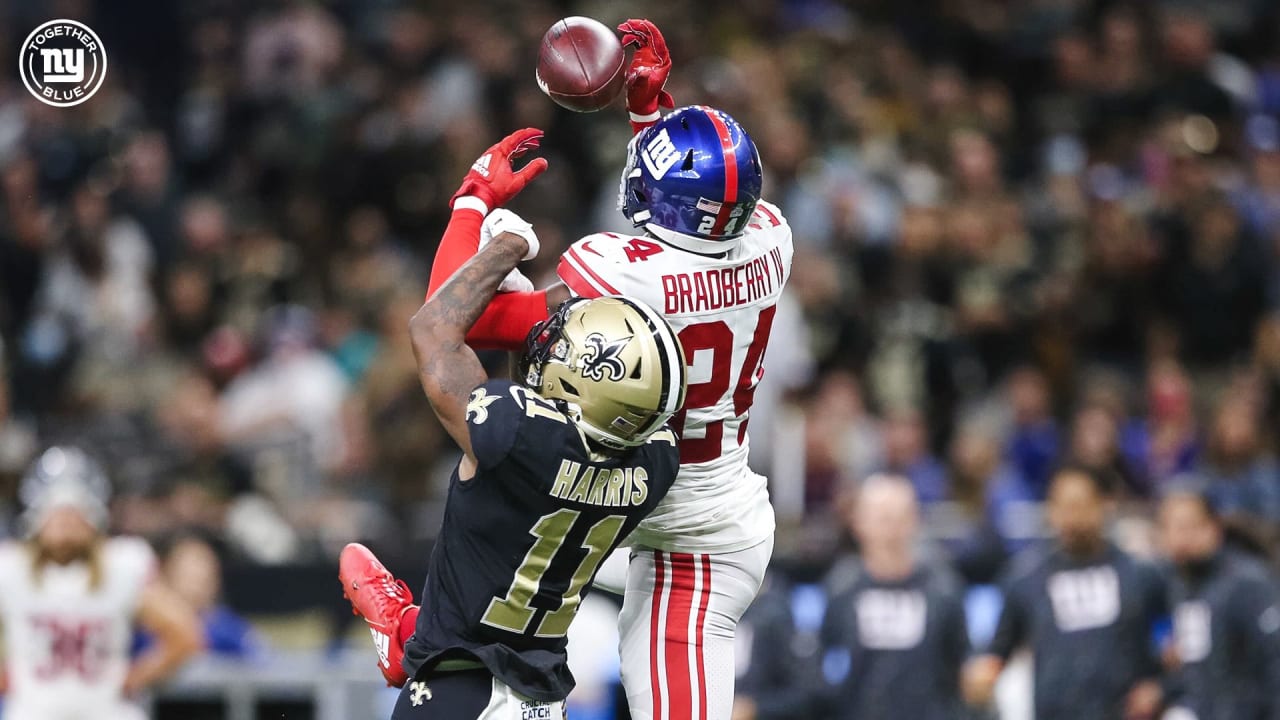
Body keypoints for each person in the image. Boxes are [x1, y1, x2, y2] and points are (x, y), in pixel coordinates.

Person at [344, 18, 793, 720]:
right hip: (690, 485)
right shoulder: (770, 235)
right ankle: (421, 636)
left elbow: (457, 322)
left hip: (662, 507)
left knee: (501, 489)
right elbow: (701, 214)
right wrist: (651, 114)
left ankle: (419, 637)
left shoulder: (623, 272)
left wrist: (473, 205)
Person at [340, 192, 688, 718]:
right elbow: (547, 429)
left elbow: (432, 331)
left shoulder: (518, 436)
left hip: (462, 691)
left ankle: (411, 632)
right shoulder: (656, 463)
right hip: (540, 693)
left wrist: (506, 243)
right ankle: (409, 630)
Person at [0, 446, 203, 720]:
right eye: (57, 512)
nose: (65, 523)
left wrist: (135, 677)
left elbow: (185, 634)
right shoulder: (12, 567)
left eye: (74, 513)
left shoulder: (122, 565)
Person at [962, 464, 1167, 720]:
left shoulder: (1140, 574)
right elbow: (998, 652)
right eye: (1063, 506)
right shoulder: (1027, 578)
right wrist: (981, 676)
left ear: (1104, 504)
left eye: (1081, 504)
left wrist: (1161, 687)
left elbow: (1181, 642)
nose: (1072, 517)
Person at [819, 474, 969, 720]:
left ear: (915, 521)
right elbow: (822, 667)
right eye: (883, 518)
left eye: (900, 518)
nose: (892, 530)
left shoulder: (944, 589)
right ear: (858, 522)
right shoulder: (840, 589)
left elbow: (962, 661)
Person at [1157, 485, 1280, 720]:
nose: (1181, 537)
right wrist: (1166, 692)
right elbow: (1199, 670)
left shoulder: (1247, 583)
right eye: (1172, 527)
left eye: (1190, 526)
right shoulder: (1179, 586)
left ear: (1214, 528)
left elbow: (1275, 661)